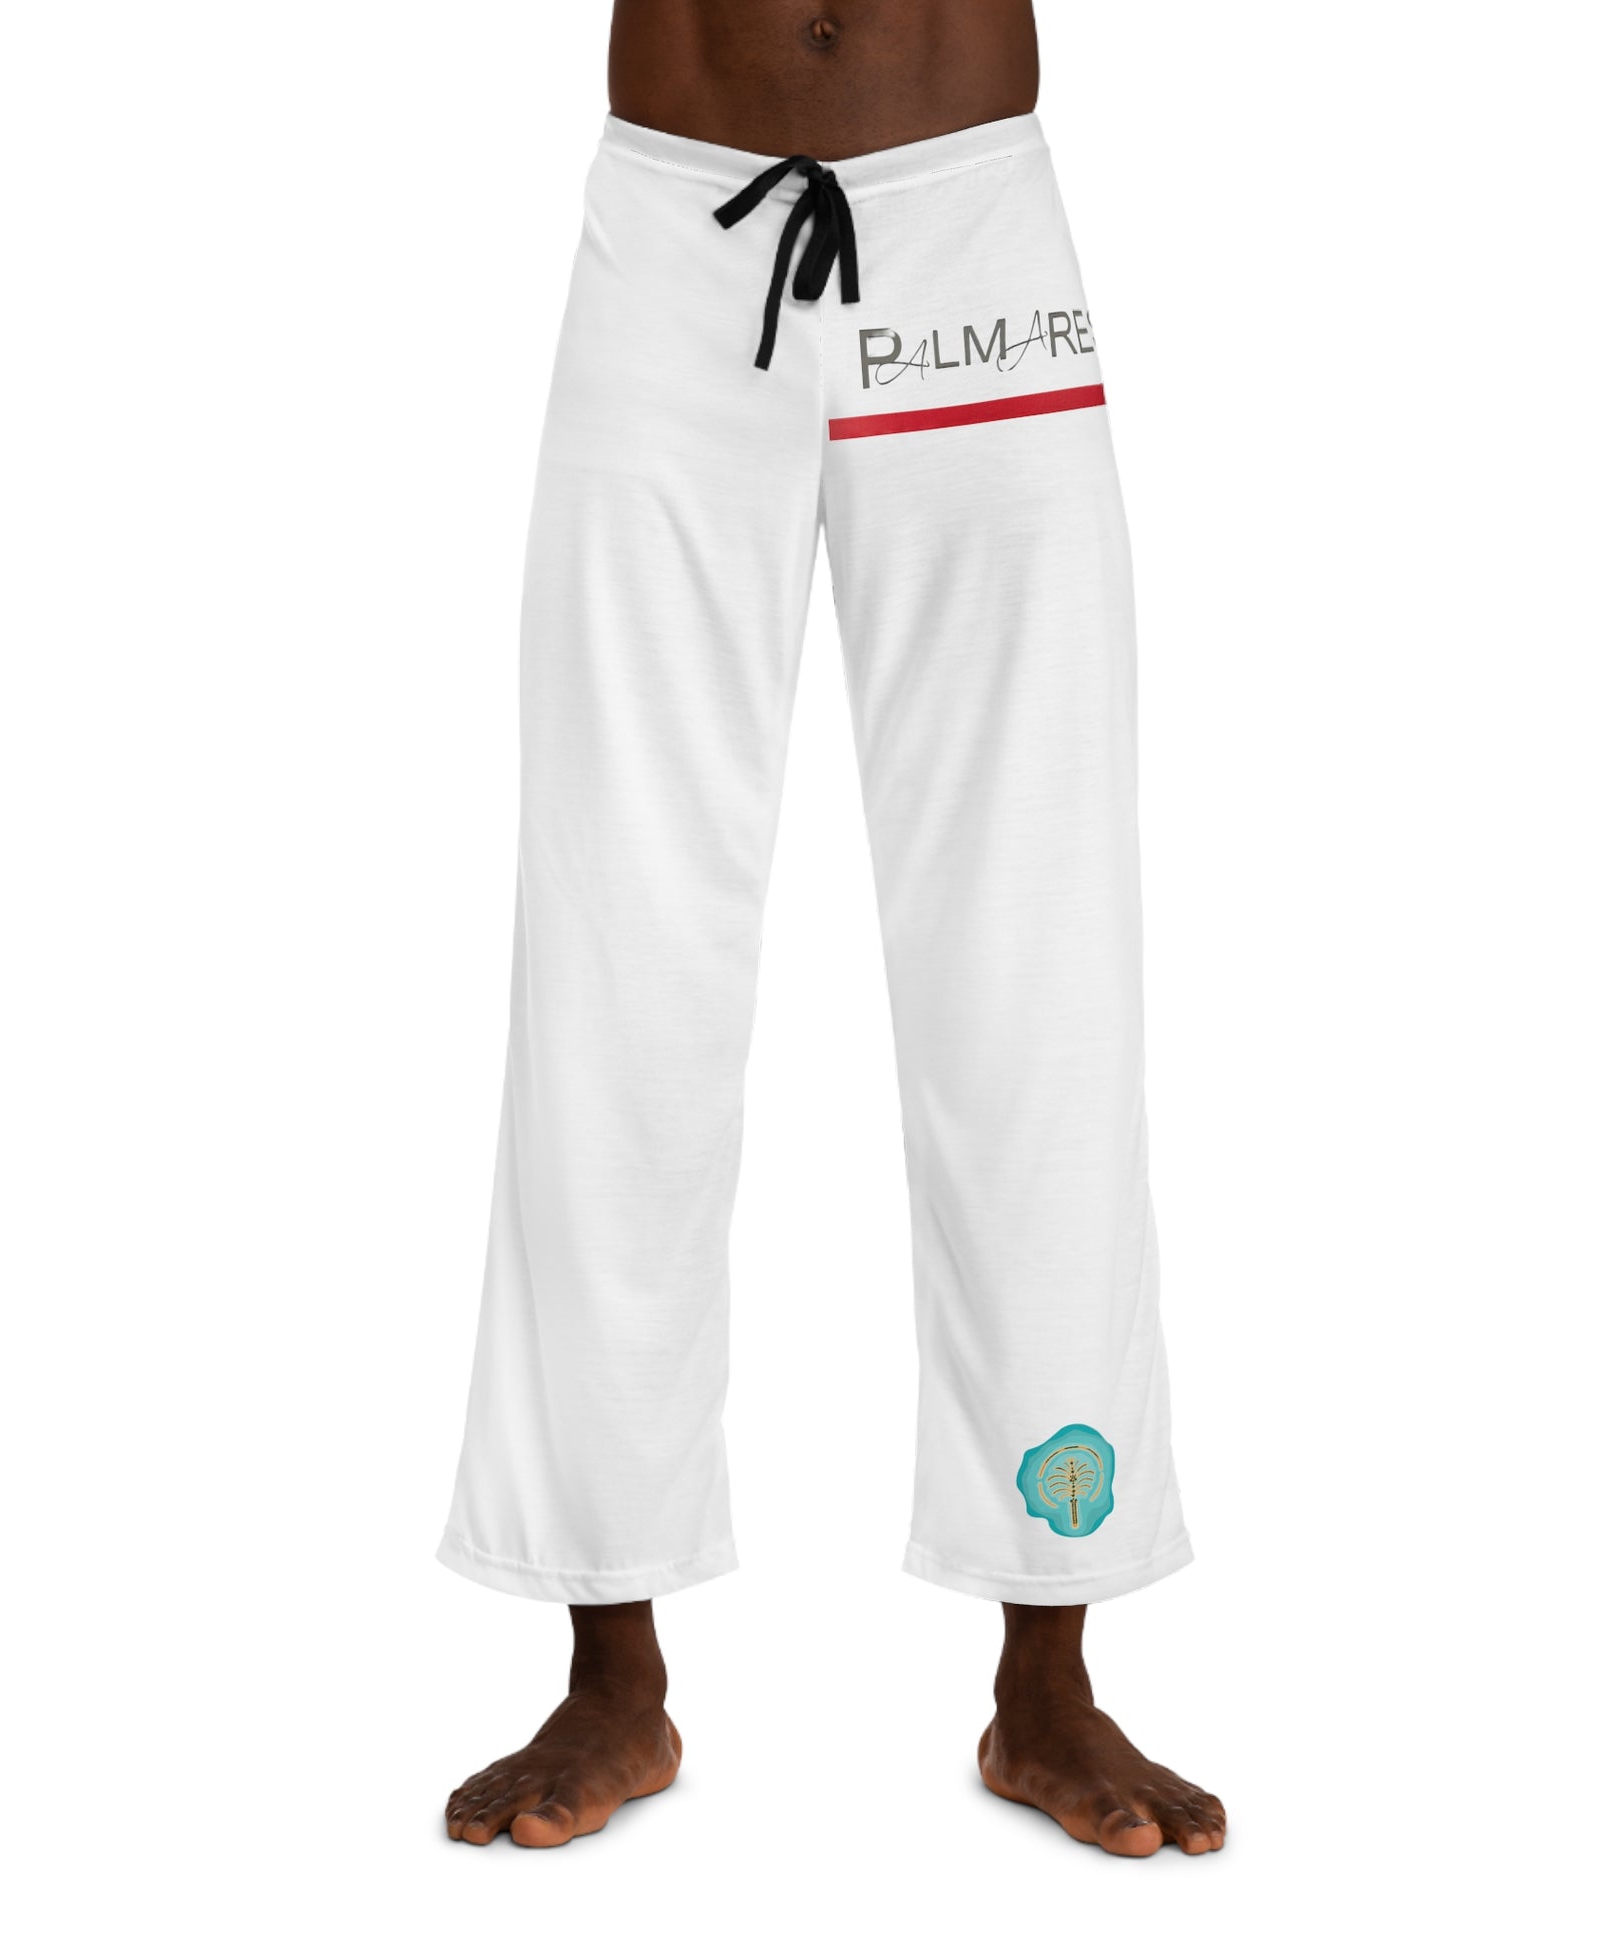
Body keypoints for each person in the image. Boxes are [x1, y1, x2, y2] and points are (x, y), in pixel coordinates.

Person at [439, 0, 1226, 1858]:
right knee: (617, 945)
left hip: (970, 240)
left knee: (1034, 954)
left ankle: (1048, 1667)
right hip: (672, 234)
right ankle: (610, 1659)